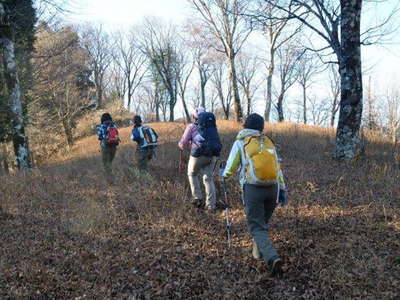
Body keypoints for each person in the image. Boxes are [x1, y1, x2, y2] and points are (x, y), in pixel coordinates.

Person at [221, 113, 286, 277]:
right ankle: (257, 254)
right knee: (261, 223)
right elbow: (278, 169)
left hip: (253, 189)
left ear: (245, 126)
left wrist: (224, 175)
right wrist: (282, 189)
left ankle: (272, 257)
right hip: (273, 188)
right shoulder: (268, 142)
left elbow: (230, 168)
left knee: (257, 226)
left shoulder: (240, 142)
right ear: (261, 128)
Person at [178, 107, 221, 211]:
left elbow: (183, 142)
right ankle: (211, 206)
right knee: (208, 179)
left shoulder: (191, 126)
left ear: (194, 117)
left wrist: (181, 145)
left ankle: (197, 198)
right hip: (212, 155)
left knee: (192, 174)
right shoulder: (212, 128)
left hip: (198, 156)